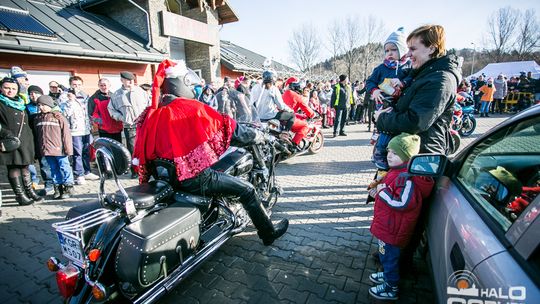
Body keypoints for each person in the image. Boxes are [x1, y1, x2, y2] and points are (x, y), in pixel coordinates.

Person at [133, 59, 288, 246]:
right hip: (193, 179)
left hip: (164, 177)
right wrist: (258, 135)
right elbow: (231, 130)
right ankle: (268, 233)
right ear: (184, 83)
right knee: (247, 190)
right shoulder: (189, 109)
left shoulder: (151, 114)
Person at [374, 24, 461, 271]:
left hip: (420, 157)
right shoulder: (425, 72)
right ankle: (389, 256)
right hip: (410, 153)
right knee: (395, 207)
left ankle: (396, 266)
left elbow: (416, 120)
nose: (408, 53)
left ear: (432, 48)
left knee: (405, 212)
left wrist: (382, 119)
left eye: (413, 48)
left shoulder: (440, 79)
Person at [368, 133, 434, 300]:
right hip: (387, 227)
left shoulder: (406, 178)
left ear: (407, 157)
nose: (389, 155)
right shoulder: (396, 171)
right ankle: (387, 276)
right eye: (389, 150)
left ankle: (391, 287)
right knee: (384, 254)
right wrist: (378, 190)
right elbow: (388, 191)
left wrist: (382, 192)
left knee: (390, 258)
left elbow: (403, 203)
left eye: (395, 153)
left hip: (393, 229)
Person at [366, 27, 411, 171]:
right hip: (384, 103)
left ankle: (399, 157)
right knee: (384, 129)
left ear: (402, 50)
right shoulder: (381, 68)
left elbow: (413, 78)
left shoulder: (409, 66)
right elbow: (370, 82)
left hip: (403, 105)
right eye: (387, 51)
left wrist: (403, 82)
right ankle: (380, 153)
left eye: (393, 50)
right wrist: (374, 91)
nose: (389, 53)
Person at [0, 77, 43, 205]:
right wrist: (6, 134)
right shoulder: (1, 102)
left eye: (13, 88)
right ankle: (20, 195)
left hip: (25, 138)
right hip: (10, 140)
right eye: (7, 88)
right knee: (14, 167)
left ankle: (30, 191)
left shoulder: (20, 102)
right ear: (1, 88)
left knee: (25, 165)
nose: (10, 91)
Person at [109, 71, 149, 178]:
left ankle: (149, 170)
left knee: (146, 148)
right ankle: (135, 172)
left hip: (144, 125)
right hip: (129, 127)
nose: (130, 81)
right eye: (127, 79)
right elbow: (111, 110)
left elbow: (149, 105)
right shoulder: (116, 95)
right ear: (122, 80)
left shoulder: (140, 91)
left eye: (132, 79)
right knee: (133, 150)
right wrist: (122, 118)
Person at [34, 95, 74, 199]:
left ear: (50, 105)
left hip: (59, 149)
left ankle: (68, 187)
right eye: (39, 105)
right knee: (53, 169)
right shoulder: (38, 118)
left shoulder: (58, 117)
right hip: (47, 150)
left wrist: (68, 149)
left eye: (43, 105)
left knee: (64, 167)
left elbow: (66, 134)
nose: (41, 107)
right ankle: (58, 187)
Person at [59, 77, 97, 185]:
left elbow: (88, 112)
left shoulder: (85, 96)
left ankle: (87, 171)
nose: (77, 87)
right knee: (77, 153)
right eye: (74, 85)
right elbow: (65, 113)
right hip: (74, 130)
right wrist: (70, 100)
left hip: (85, 128)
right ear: (70, 85)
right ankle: (78, 174)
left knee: (86, 151)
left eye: (79, 85)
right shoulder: (64, 97)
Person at [27, 85, 55, 195]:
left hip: (48, 139)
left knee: (48, 162)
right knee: (41, 162)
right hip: (34, 138)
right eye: (31, 93)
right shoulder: (26, 108)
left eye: (36, 93)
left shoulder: (50, 107)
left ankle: (53, 184)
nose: (33, 95)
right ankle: (45, 183)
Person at [282, 77, 315, 150]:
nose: (300, 87)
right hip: (289, 119)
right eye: (298, 85)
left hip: (281, 117)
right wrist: (313, 114)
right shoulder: (296, 96)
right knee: (305, 126)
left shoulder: (284, 93)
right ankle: (294, 144)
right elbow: (306, 108)